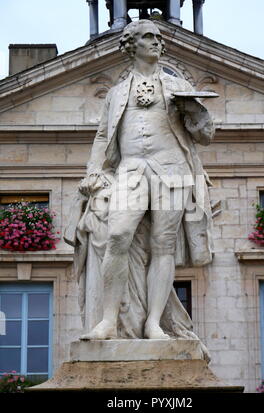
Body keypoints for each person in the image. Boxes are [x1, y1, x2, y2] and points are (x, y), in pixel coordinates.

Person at [72, 19, 215, 341]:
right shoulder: (117, 93)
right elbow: (102, 136)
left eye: (159, 37)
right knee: (118, 236)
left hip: (172, 170)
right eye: (148, 37)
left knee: (163, 246)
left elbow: (204, 136)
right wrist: (94, 171)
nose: (157, 42)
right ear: (131, 44)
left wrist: (196, 111)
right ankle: (108, 320)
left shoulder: (179, 87)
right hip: (132, 171)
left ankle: (153, 323)